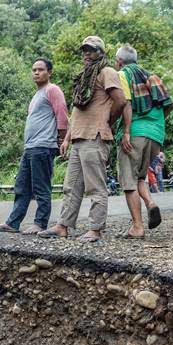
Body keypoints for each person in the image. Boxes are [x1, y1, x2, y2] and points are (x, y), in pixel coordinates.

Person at [38, 36, 130, 242]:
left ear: (101, 52)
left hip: (95, 135)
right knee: (71, 186)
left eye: (91, 50)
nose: (87, 54)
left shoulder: (107, 72)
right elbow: (77, 110)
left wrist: (108, 120)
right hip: (79, 137)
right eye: (84, 50)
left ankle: (95, 229)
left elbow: (121, 101)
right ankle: (63, 225)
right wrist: (66, 139)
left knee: (95, 186)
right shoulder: (84, 77)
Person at [0, 57, 68, 234]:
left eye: (40, 70)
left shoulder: (53, 90)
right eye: (34, 70)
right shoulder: (37, 94)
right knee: (22, 186)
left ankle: (40, 223)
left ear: (49, 72)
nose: (36, 73)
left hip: (43, 146)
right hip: (30, 147)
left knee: (41, 187)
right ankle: (13, 223)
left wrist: (62, 141)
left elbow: (62, 115)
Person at [114, 45, 173, 238]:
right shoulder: (152, 76)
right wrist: (155, 124)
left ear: (119, 62)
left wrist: (126, 132)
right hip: (156, 135)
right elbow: (169, 105)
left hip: (134, 134)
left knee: (129, 181)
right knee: (140, 177)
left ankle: (137, 227)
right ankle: (151, 203)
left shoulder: (123, 74)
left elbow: (126, 104)